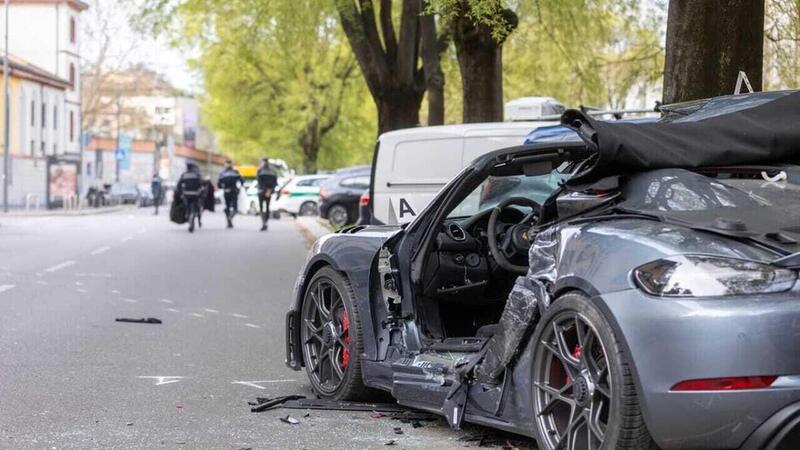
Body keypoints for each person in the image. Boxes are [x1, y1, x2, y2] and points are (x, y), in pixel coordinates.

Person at [176, 161, 204, 233]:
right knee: (197, 207)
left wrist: (181, 193)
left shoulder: (184, 175)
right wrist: (200, 191)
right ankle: (196, 217)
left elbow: (179, 185)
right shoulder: (197, 175)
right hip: (195, 195)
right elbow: (202, 184)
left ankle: (188, 216)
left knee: (187, 207)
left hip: (186, 194)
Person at [217, 160, 243, 228]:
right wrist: (239, 188)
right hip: (234, 191)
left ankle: (229, 220)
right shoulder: (235, 172)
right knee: (235, 208)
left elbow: (219, 184)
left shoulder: (222, 173)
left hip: (226, 191)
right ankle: (230, 219)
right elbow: (242, 181)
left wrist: (223, 187)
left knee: (227, 207)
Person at [256, 157, 278, 231]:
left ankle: (264, 223)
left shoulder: (259, 171)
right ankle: (265, 223)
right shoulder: (273, 171)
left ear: (263, 162)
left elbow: (259, 182)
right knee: (268, 207)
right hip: (269, 192)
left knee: (262, 207)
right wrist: (269, 190)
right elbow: (275, 183)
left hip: (261, 191)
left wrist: (264, 190)